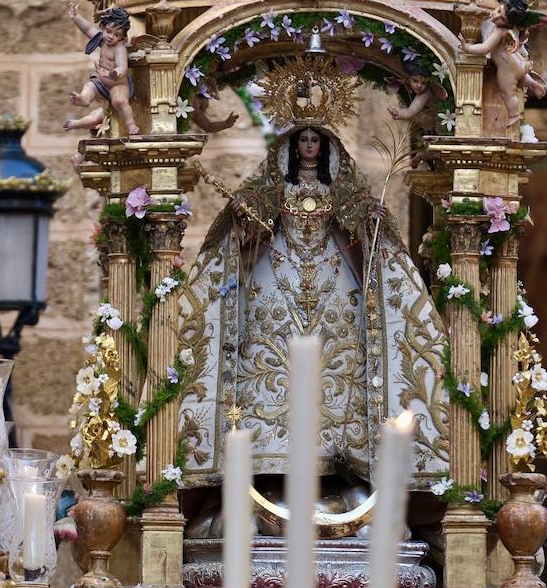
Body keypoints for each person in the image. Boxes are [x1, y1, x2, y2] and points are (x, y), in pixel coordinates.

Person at [177, 125, 452, 490]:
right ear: (291, 149)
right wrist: (243, 217)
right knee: (273, 365)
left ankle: (341, 458)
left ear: (324, 148)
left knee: (334, 368)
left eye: (314, 141)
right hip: (275, 289)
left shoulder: (341, 191)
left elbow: (367, 238)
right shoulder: (271, 189)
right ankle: (268, 457)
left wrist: (370, 220)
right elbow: (241, 237)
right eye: (302, 141)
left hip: (334, 292)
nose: (308, 147)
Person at [65, 5, 140, 135]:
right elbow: (88, 29)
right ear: (103, 28)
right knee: (89, 85)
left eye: (117, 35)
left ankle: (131, 124)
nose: (111, 37)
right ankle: (84, 99)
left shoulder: (119, 49)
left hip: (118, 84)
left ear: (122, 37)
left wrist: (116, 73)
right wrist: (76, 17)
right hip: (102, 81)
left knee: (119, 101)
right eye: (108, 31)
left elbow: (122, 66)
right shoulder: (102, 40)